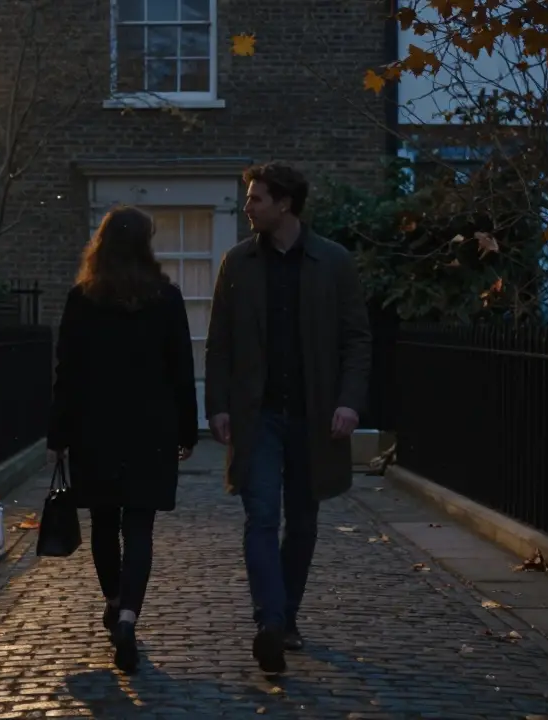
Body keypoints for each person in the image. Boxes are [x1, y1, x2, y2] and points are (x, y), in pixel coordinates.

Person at [204, 162, 372, 674]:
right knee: (260, 517)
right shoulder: (238, 263)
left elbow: (357, 339)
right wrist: (218, 405)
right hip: (259, 416)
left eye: (257, 199)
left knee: (302, 522)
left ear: (284, 204)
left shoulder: (333, 262)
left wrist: (348, 400)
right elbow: (221, 342)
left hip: (313, 414)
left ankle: (287, 616)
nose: (248, 206)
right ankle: (269, 623)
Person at [46, 204, 199, 674]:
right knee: (140, 528)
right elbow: (181, 370)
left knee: (103, 524)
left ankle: (113, 601)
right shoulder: (166, 299)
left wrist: (60, 432)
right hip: (150, 428)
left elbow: (66, 373)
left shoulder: (82, 298)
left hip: (97, 429)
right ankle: (130, 616)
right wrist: (187, 428)